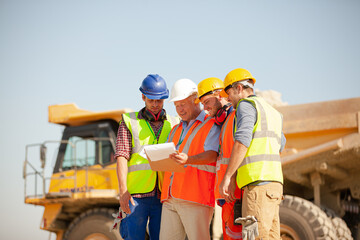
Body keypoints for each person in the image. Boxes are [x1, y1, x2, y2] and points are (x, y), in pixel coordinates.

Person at [219, 68, 286, 240]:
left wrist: (228, 176)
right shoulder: (273, 112)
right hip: (274, 186)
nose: (227, 98)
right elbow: (281, 145)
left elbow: (242, 141)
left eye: (229, 93)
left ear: (239, 88)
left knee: (253, 237)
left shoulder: (246, 106)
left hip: (257, 187)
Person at [115, 74, 178, 240]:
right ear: (143, 97)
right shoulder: (129, 121)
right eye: (151, 100)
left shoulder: (175, 123)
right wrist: (123, 191)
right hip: (136, 196)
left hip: (163, 196)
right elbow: (121, 157)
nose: (156, 105)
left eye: (159, 101)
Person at [159, 78, 221, 240]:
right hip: (170, 197)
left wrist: (189, 160)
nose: (179, 109)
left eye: (183, 104)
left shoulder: (210, 124)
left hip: (195, 197)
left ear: (195, 100)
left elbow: (212, 154)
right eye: (176, 105)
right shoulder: (175, 129)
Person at [197, 77, 243, 240]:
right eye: (202, 104)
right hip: (227, 195)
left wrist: (231, 180)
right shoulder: (224, 121)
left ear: (220, 95)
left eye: (206, 102)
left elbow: (242, 150)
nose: (205, 108)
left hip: (236, 192)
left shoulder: (237, 116)